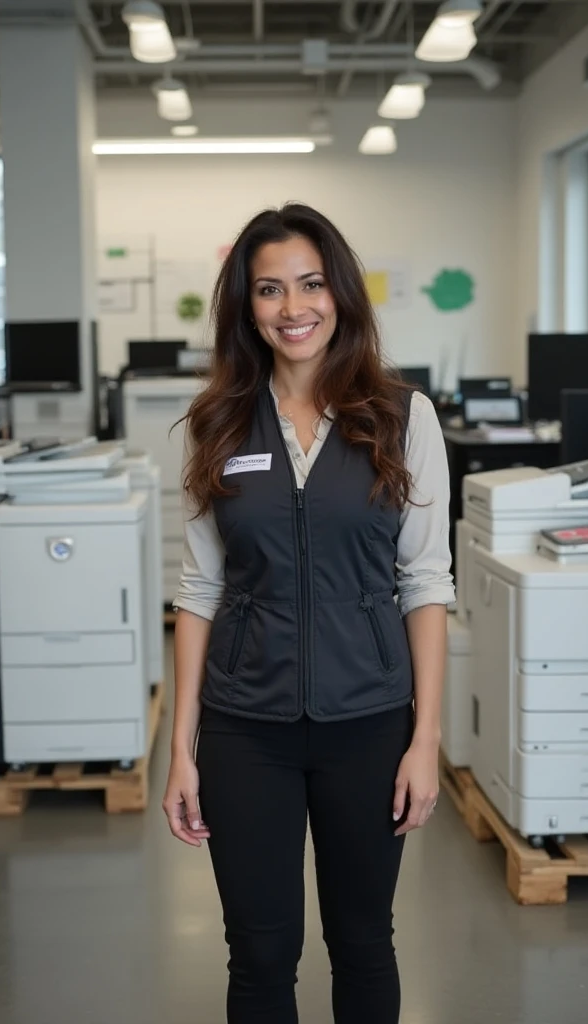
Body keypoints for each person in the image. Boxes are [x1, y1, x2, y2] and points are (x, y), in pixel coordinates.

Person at [163, 203, 454, 1024]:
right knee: (258, 953)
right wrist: (180, 754)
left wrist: (423, 741)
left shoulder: (404, 417)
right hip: (243, 727)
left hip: (368, 722)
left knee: (364, 942)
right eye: (269, 289)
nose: (293, 308)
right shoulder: (216, 424)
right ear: (245, 307)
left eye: (310, 284)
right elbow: (198, 592)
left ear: (340, 292)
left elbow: (426, 583)